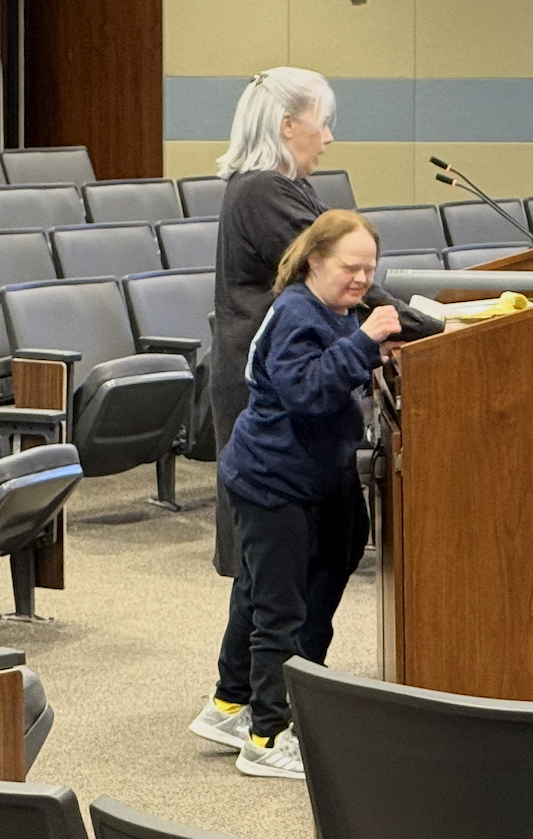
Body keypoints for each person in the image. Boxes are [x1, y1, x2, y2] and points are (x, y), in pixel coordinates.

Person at [206, 66, 439, 579]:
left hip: (287, 373)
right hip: (275, 383)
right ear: (288, 125)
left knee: (304, 558)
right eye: (323, 122)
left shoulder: (284, 186)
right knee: (270, 566)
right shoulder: (263, 192)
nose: (329, 137)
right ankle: (267, 662)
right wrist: (427, 328)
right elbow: (344, 276)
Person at [191, 210, 399, 779]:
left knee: (267, 589)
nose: (360, 280)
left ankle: (231, 704)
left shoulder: (332, 309)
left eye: (369, 269)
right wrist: (363, 344)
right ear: (314, 261)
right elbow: (305, 390)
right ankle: (267, 736)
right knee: (279, 609)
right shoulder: (295, 313)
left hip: (309, 478)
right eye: (349, 268)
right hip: (272, 481)